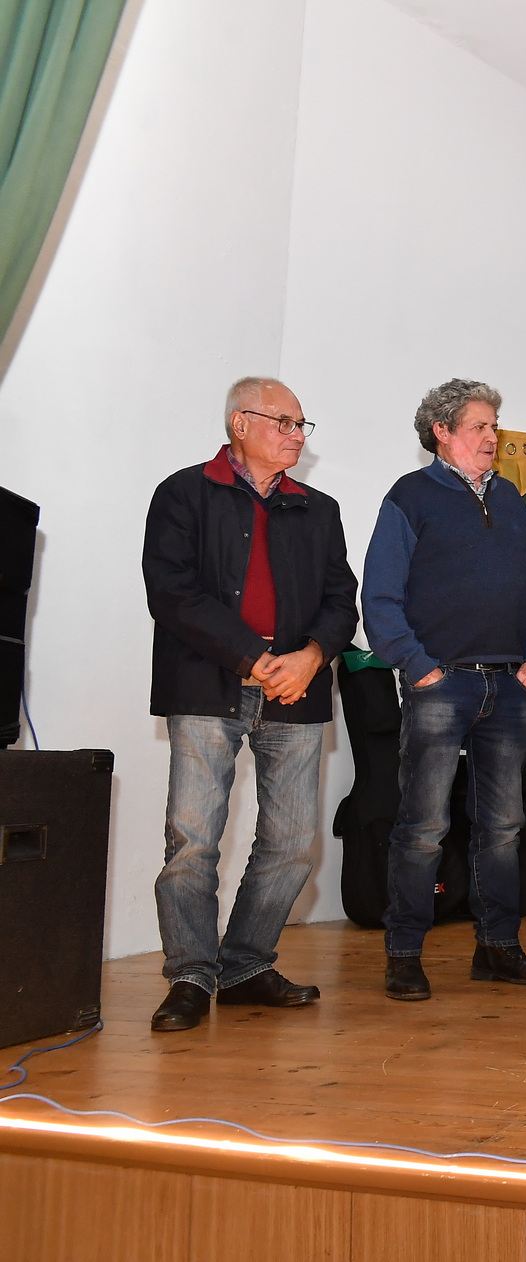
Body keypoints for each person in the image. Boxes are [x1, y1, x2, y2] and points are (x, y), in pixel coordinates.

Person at [143, 377, 359, 1032]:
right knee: (192, 840)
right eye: (284, 422)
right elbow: (172, 592)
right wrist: (253, 658)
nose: (297, 435)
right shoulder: (183, 493)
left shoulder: (318, 509)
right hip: (207, 683)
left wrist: (311, 656)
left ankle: (243, 967)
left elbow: (341, 600)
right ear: (240, 423)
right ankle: (189, 975)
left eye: (301, 425)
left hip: (296, 688)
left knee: (291, 842)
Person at [363, 379, 526, 1002]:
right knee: (423, 826)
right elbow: (379, 599)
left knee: (504, 827)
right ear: (441, 432)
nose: (492, 436)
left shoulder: (513, 500)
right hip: (440, 687)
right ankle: (404, 954)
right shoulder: (410, 496)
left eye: (495, 425)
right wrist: (419, 667)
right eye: (480, 425)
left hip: (509, 685)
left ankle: (497, 947)